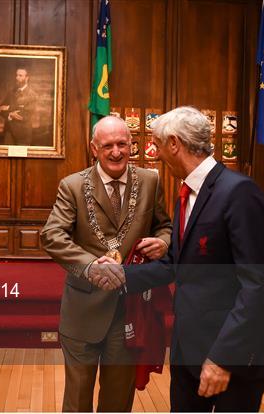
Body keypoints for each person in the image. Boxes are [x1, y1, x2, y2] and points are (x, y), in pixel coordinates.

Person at [107, 106, 264, 411]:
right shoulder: (185, 193)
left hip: (229, 358)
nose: (156, 154)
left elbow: (256, 286)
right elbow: (175, 263)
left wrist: (223, 358)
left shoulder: (240, 192)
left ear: (174, 143)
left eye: (158, 145)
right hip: (189, 350)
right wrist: (120, 275)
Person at [40, 116, 172, 412]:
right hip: (82, 309)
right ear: (94, 148)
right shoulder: (72, 185)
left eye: (122, 144)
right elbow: (51, 235)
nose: (116, 152)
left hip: (130, 310)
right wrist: (89, 266)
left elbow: (165, 226)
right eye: (108, 145)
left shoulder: (151, 181)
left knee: (118, 401)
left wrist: (163, 242)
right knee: (78, 400)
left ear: (131, 145)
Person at [0, 67, 38, 146]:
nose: (17, 78)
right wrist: (10, 114)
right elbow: (0, 109)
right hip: (8, 133)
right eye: (16, 75)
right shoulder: (11, 92)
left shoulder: (32, 94)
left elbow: (26, 114)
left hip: (23, 134)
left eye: (20, 75)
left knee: (21, 157)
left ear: (27, 78)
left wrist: (9, 108)